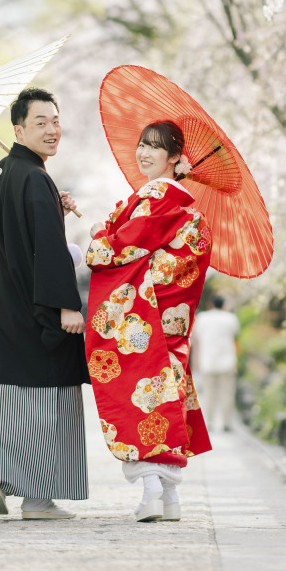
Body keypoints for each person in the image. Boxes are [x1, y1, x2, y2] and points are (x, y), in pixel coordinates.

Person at [0, 86, 89, 520]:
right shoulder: (34, 177)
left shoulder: (4, 172)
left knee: (6, 399)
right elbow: (47, 250)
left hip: (2, 309)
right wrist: (67, 306)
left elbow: (16, 240)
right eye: (40, 123)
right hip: (35, 310)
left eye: (55, 121)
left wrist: (56, 209)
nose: (53, 130)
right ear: (18, 129)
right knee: (43, 399)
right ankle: (37, 499)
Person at [84, 120, 212, 523]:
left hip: (149, 318)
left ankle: (152, 491)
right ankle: (170, 500)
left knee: (142, 394)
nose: (143, 153)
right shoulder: (185, 202)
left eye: (155, 148)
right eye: (141, 144)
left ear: (176, 157)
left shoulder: (158, 193)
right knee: (168, 393)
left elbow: (123, 246)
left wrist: (98, 240)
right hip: (172, 322)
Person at [191, 295, 240, 432]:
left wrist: (195, 362)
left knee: (209, 393)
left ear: (211, 304)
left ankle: (210, 422)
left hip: (207, 361)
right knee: (227, 392)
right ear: (224, 304)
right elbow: (236, 332)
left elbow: (197, 340)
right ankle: (226, 423)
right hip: (227, 361)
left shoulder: (203, 318)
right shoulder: (230, 318)